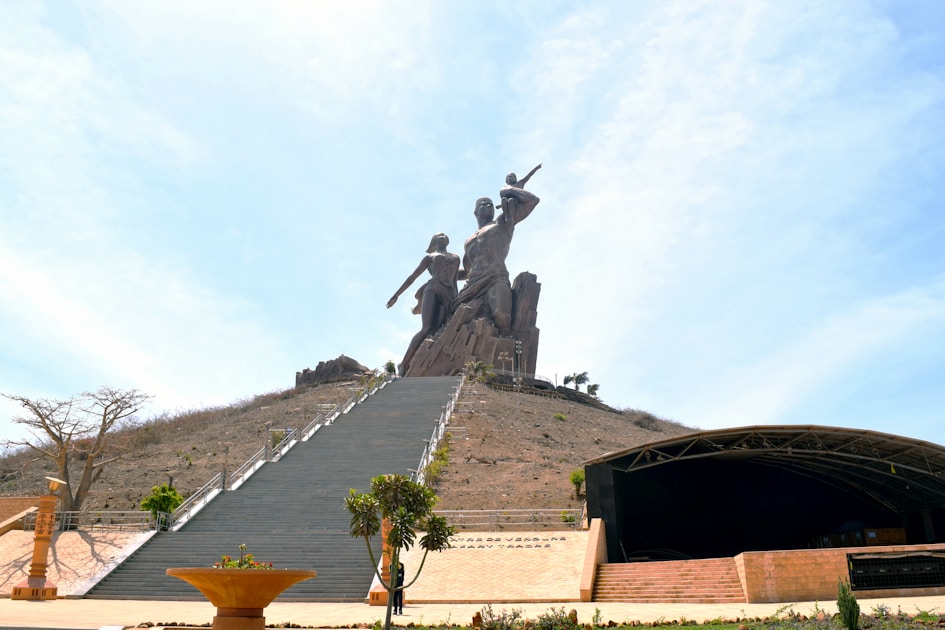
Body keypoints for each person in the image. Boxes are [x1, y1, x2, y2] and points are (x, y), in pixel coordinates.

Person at [454, 179, 540, 336]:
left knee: (503, 316)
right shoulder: (468, 240)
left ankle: (503, 355)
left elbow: (532, 201)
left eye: (490, 205)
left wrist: (508, 189)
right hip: (472, 283)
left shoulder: (503, 222)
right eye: (483, 204)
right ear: (475, 212)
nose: (488, 206)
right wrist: (443, 273)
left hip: (496, 277)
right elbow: (467, 270)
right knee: (454, 322)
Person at [387, 233, 460, 376]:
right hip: (433, 289)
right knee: (426, 328)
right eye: (439, 236)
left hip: (449, 294)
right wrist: (396, 295)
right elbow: (412, 277)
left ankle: (426, 363)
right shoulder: (429, 257)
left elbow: (456, 279)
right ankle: (405, 362)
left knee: (439, 330)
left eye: (445, 235)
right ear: (434, 242)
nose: (443, 236)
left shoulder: (456, 257)